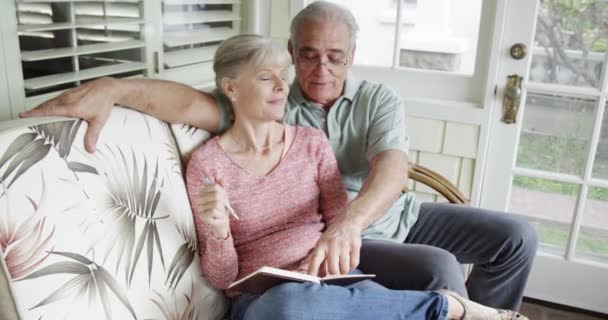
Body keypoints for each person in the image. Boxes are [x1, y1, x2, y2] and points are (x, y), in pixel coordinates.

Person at [20, 1, 538, 311]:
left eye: (335, 57)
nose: (320, 68)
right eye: (308, 54)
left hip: (380, 218)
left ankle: (487, 314)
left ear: (352, 57)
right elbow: (187, 101)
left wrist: (348, 224)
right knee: (437, 268)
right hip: (333, 241)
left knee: (516, 238)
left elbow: (393, 167)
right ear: (292, 52)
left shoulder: (378, 99)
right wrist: (112, 87)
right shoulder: (268, 101)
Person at [187, 33, 527, 320]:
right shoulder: (207, 164)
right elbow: (222, 278)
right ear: (230, 88)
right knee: (287, 305)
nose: (280, 86)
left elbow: (340, 224)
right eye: (265, 77)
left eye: (283, 74)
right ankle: (448, 307)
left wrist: (328, 261)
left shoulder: (311, 143)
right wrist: (218, 230)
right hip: (265, 300)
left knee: (414, 274)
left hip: (331, 282)